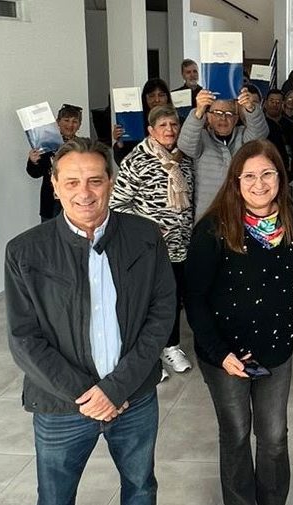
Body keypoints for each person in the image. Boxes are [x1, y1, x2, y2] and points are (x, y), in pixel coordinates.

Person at [5, 138, 179, 505]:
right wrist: (88, 393)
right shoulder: (26, 251)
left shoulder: (145, 237)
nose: (85, 192)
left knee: (141, 483)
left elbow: (160, 315)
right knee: (55, 504)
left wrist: (116, 387)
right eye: (73, 182)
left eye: (96, 180)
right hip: (62, 406)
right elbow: (24, 340)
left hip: (133, 397)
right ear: (55, 186)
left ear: (111, 183)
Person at [184, 140, 293, 505]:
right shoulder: (213, 229)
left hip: (275, 351)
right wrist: (220, 353)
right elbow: (194, 298)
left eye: (267, 174)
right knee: (235, 436)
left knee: (273, 438)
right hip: (226, 357)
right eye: (249, 175)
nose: (259, 183)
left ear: (280, 178)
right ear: (235, 181)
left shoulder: (292, 222)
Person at [110, 105, 195, 379]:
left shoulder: (184, 159)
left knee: (172, 300)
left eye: (174, 125)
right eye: (163, 126)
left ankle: (171, 347)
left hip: (179, 247)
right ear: (151, 130)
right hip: (148, 249)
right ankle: (147, 358)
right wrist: (148, 228)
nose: (169, 130)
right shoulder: (136, 160)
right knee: (146, 302)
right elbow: (117, 204)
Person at [178, 87, 267, 220]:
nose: (223, 118)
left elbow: (260, 134)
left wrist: (251, 109)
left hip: (241, 213)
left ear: (236, 119)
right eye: (217, 113)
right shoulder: (201, 137)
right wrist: (198, 112)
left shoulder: (243, 136)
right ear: (208, 117)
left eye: (229, 114)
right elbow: (186, 145)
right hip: (207, 216)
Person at [26, 104, 82, 222]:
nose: (70, 125)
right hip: (51, 204)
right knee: (50, 232)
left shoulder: (83, 146)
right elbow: (35, 173)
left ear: (79, 125)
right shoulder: (47, 144)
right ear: (58, 122)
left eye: (75, 121)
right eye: (66, 120)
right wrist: (33, 161)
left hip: (77, 201)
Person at [114, 78, 173, 164]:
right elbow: (122, 161)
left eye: (161, 95)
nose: (157, 100)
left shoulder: (177, 121)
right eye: (151, 96)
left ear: (167, 97)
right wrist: (120, 142)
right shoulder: (136, 122)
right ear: (145, 98)